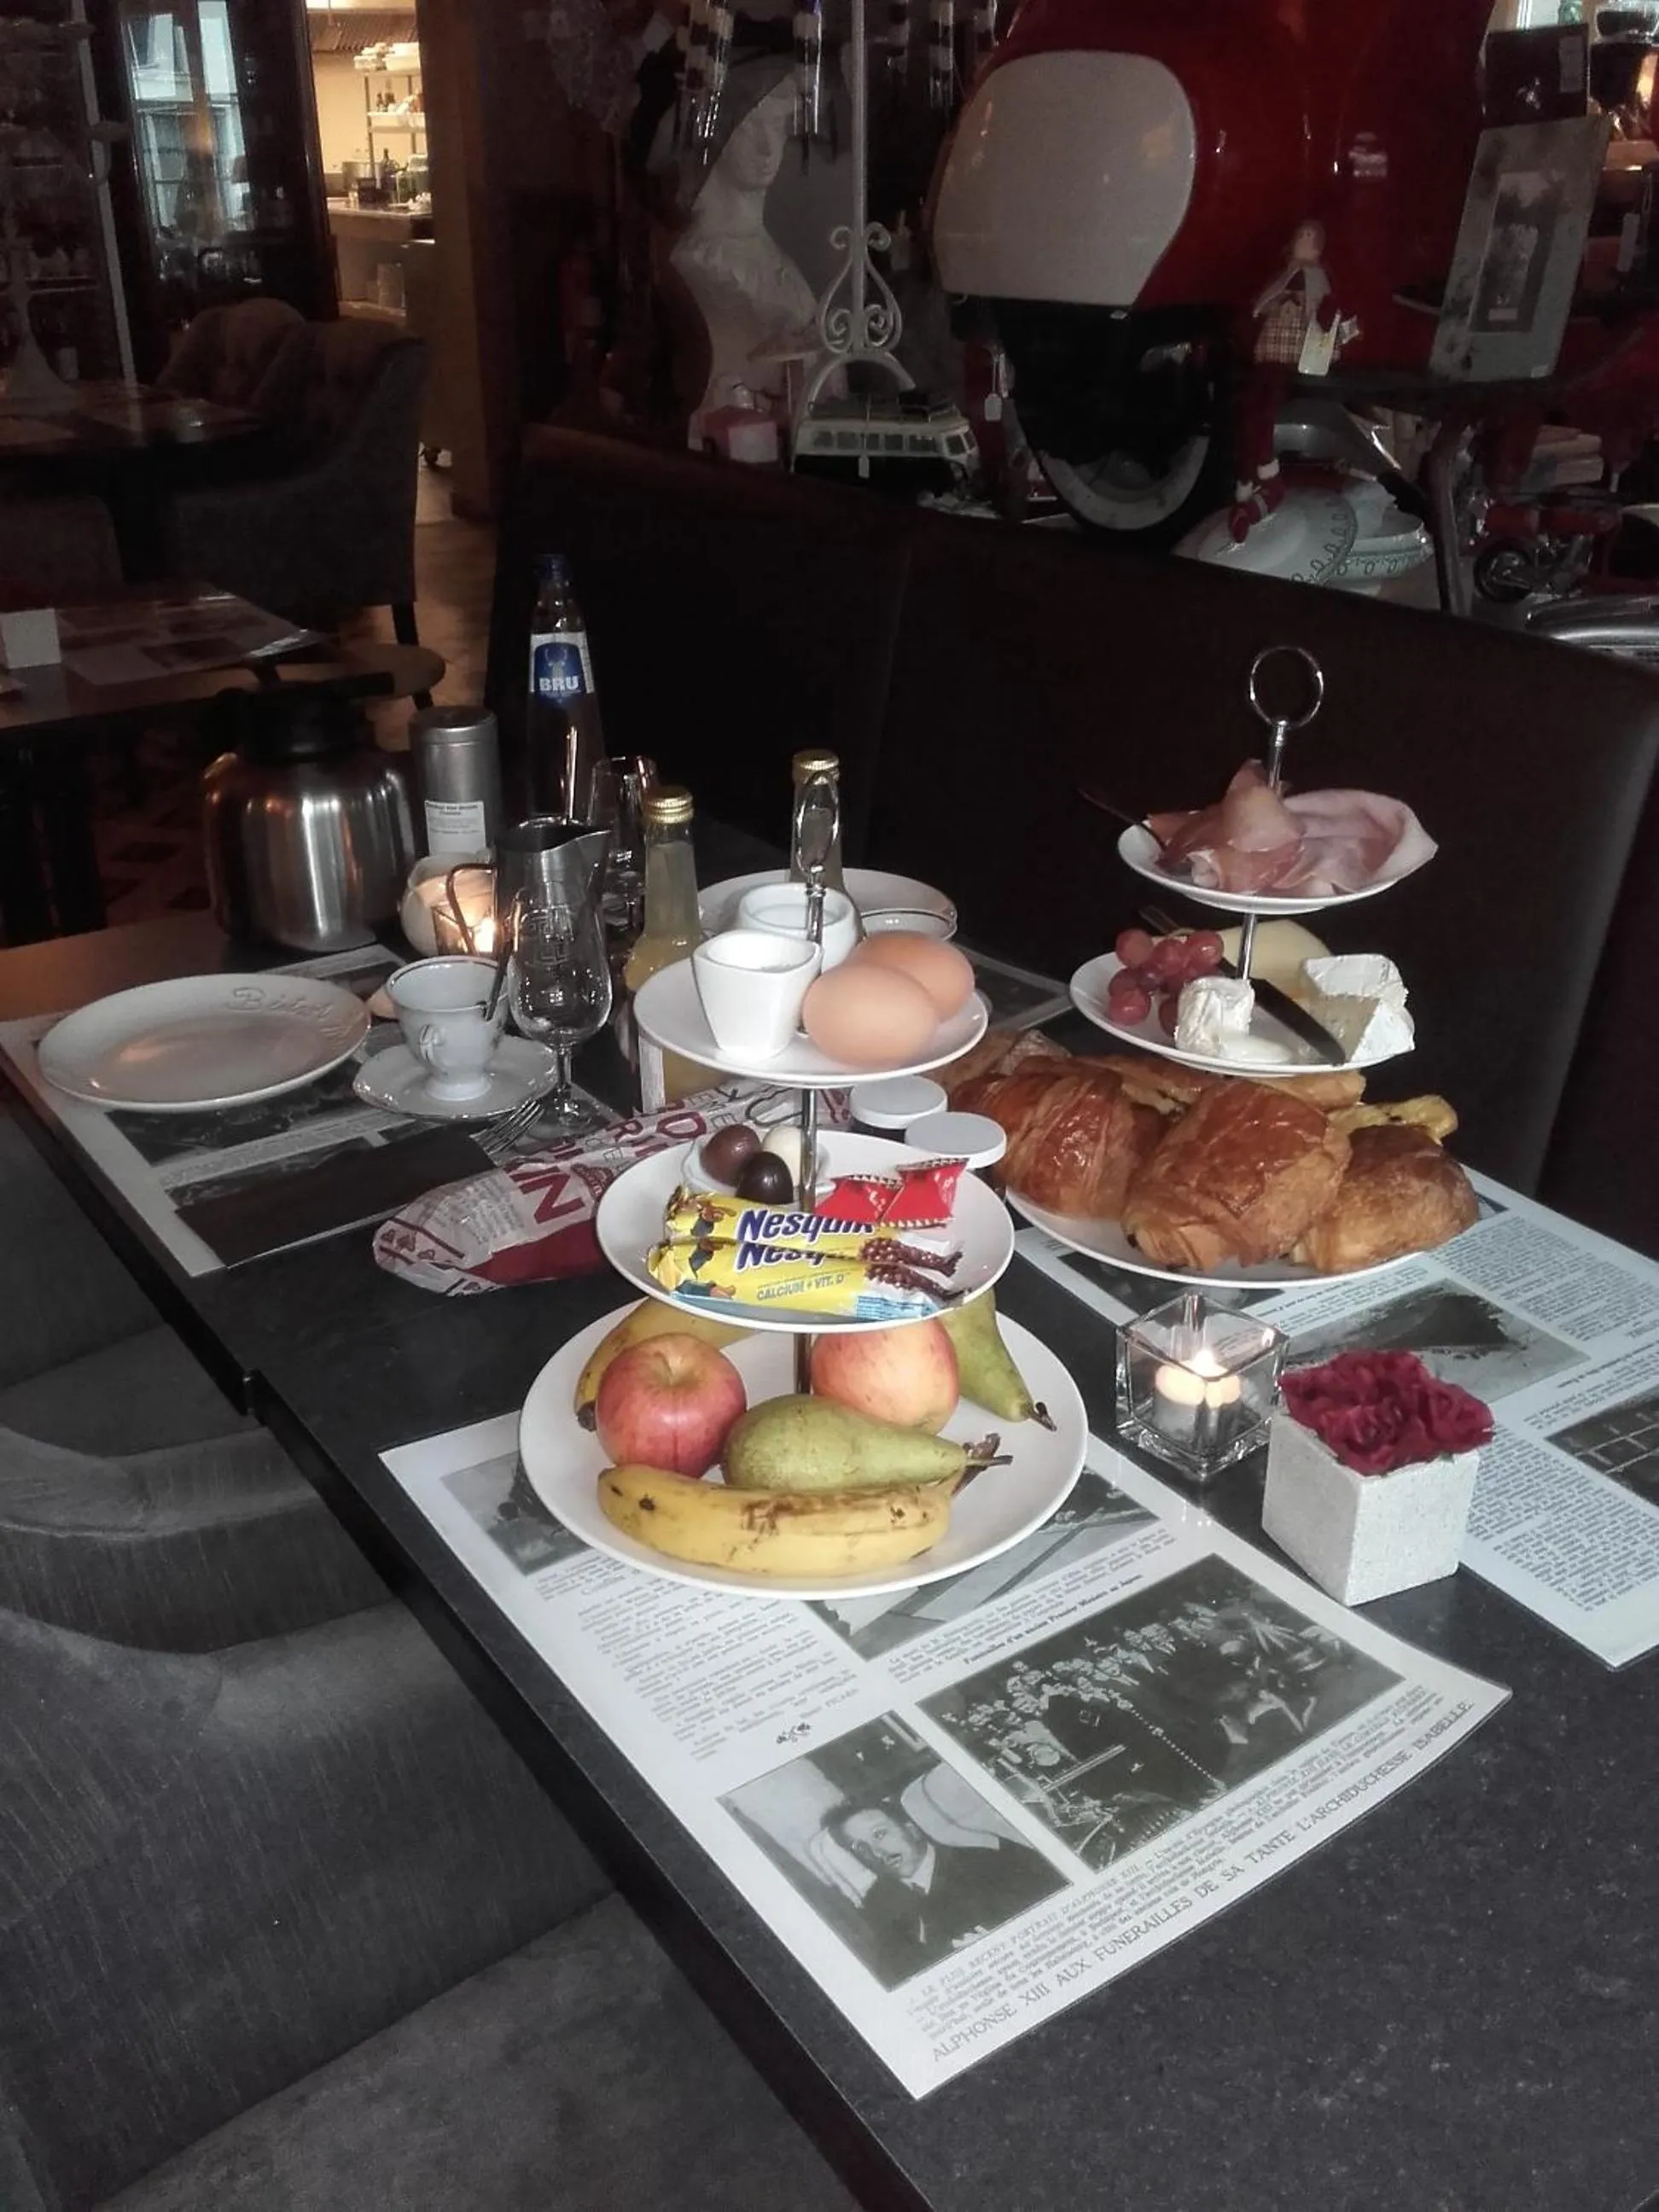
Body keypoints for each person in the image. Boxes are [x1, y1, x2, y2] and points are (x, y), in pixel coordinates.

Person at [826, 1800, 1059, 1986]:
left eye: (880, 1834)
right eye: (860, 1848)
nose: (876, 1852)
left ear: (911, 1829)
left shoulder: (992, 1863)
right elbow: (897, 1977)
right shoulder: (878, 1903)